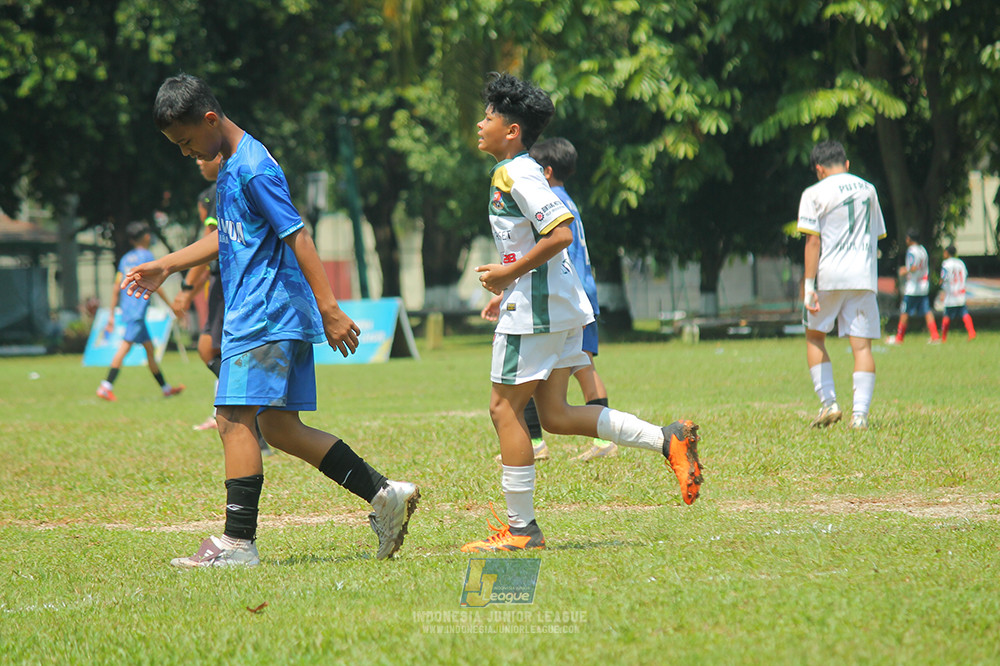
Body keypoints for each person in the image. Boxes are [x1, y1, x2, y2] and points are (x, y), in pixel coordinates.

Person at [124, 73, 418, 567]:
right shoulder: (231, 167)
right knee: (279, 428)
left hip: (264, 313)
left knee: (232, 419)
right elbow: (232, 238)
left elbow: (297, 235)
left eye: (188, 142)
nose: (186, 153)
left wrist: (330, 308)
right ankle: (384, 494)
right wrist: (168, 263)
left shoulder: (253, 168)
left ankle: (238, 544)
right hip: (273, 313)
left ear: (211, 119)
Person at [462, 73, 702, 554]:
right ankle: (667, 439)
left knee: (503, 409)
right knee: (553, 414)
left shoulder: (515, 173)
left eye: (490, 116)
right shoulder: (524, 170)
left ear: (512, 130)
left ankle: (522, 530)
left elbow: (560, 234)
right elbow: (536, 240)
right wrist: (509, 281)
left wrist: (509, 278)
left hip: (538, 312)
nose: (481, 123)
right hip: (556, 305)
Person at [482, 137, 615, 462]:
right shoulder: (564, 199)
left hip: (566, 296)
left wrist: (509, 277)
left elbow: (558, 246)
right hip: (570, 292)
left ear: (547, 170)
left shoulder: (549, 199)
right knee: (546, 372)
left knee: (579, 369)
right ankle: (538, 439)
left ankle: (603, 439)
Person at [172, 155, 273, 454]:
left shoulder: (222, 189)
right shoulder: (219, 189)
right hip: (222, 282)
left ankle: (256, 414)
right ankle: (255, 417)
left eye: (202, 155)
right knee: (215, 350)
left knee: (210, 349)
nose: (197, 161)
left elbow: (210, 244)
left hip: (225, 281)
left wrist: (187, 289)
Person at [798, 140, 887, 430]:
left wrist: (809, 285)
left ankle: (829, 403)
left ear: (819, 169)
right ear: (847, 165)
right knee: (862, 347)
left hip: (829, 276)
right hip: (863, 276)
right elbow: (877, 234)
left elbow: (813, 241)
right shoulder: (869, 189)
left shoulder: (814, 192)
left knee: (815, 336)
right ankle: (859, 416)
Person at [96, 220, 184, 402]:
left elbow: (116, 287)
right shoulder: (146, 255)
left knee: (149, 350)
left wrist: (112, 314)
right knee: (125, 347)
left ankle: (166, 388)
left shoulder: (125, 259)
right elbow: (156, 284)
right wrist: (171, 305)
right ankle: (106, 386)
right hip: (137, 309)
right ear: (145, 236)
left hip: (129, 309)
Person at [889, 229, 940, 344]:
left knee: (905, 311)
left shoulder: (911, 251)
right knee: (927, 311)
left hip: (913, 287)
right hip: (923, 285)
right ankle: (935, 335)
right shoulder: (923, 250)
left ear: (909, 239)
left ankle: (899, 337)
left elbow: (913, 267)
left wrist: (904, 270)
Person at [939, 245, 976, 342]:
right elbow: (965, 275)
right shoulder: (961, 263)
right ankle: (971, 332)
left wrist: (942, 290)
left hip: (951, 293)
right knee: (964, 313)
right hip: (960, 292)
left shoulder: (946, 264)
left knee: (947, 315)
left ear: (947, 253)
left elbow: (944, 278)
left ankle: (943, 337)